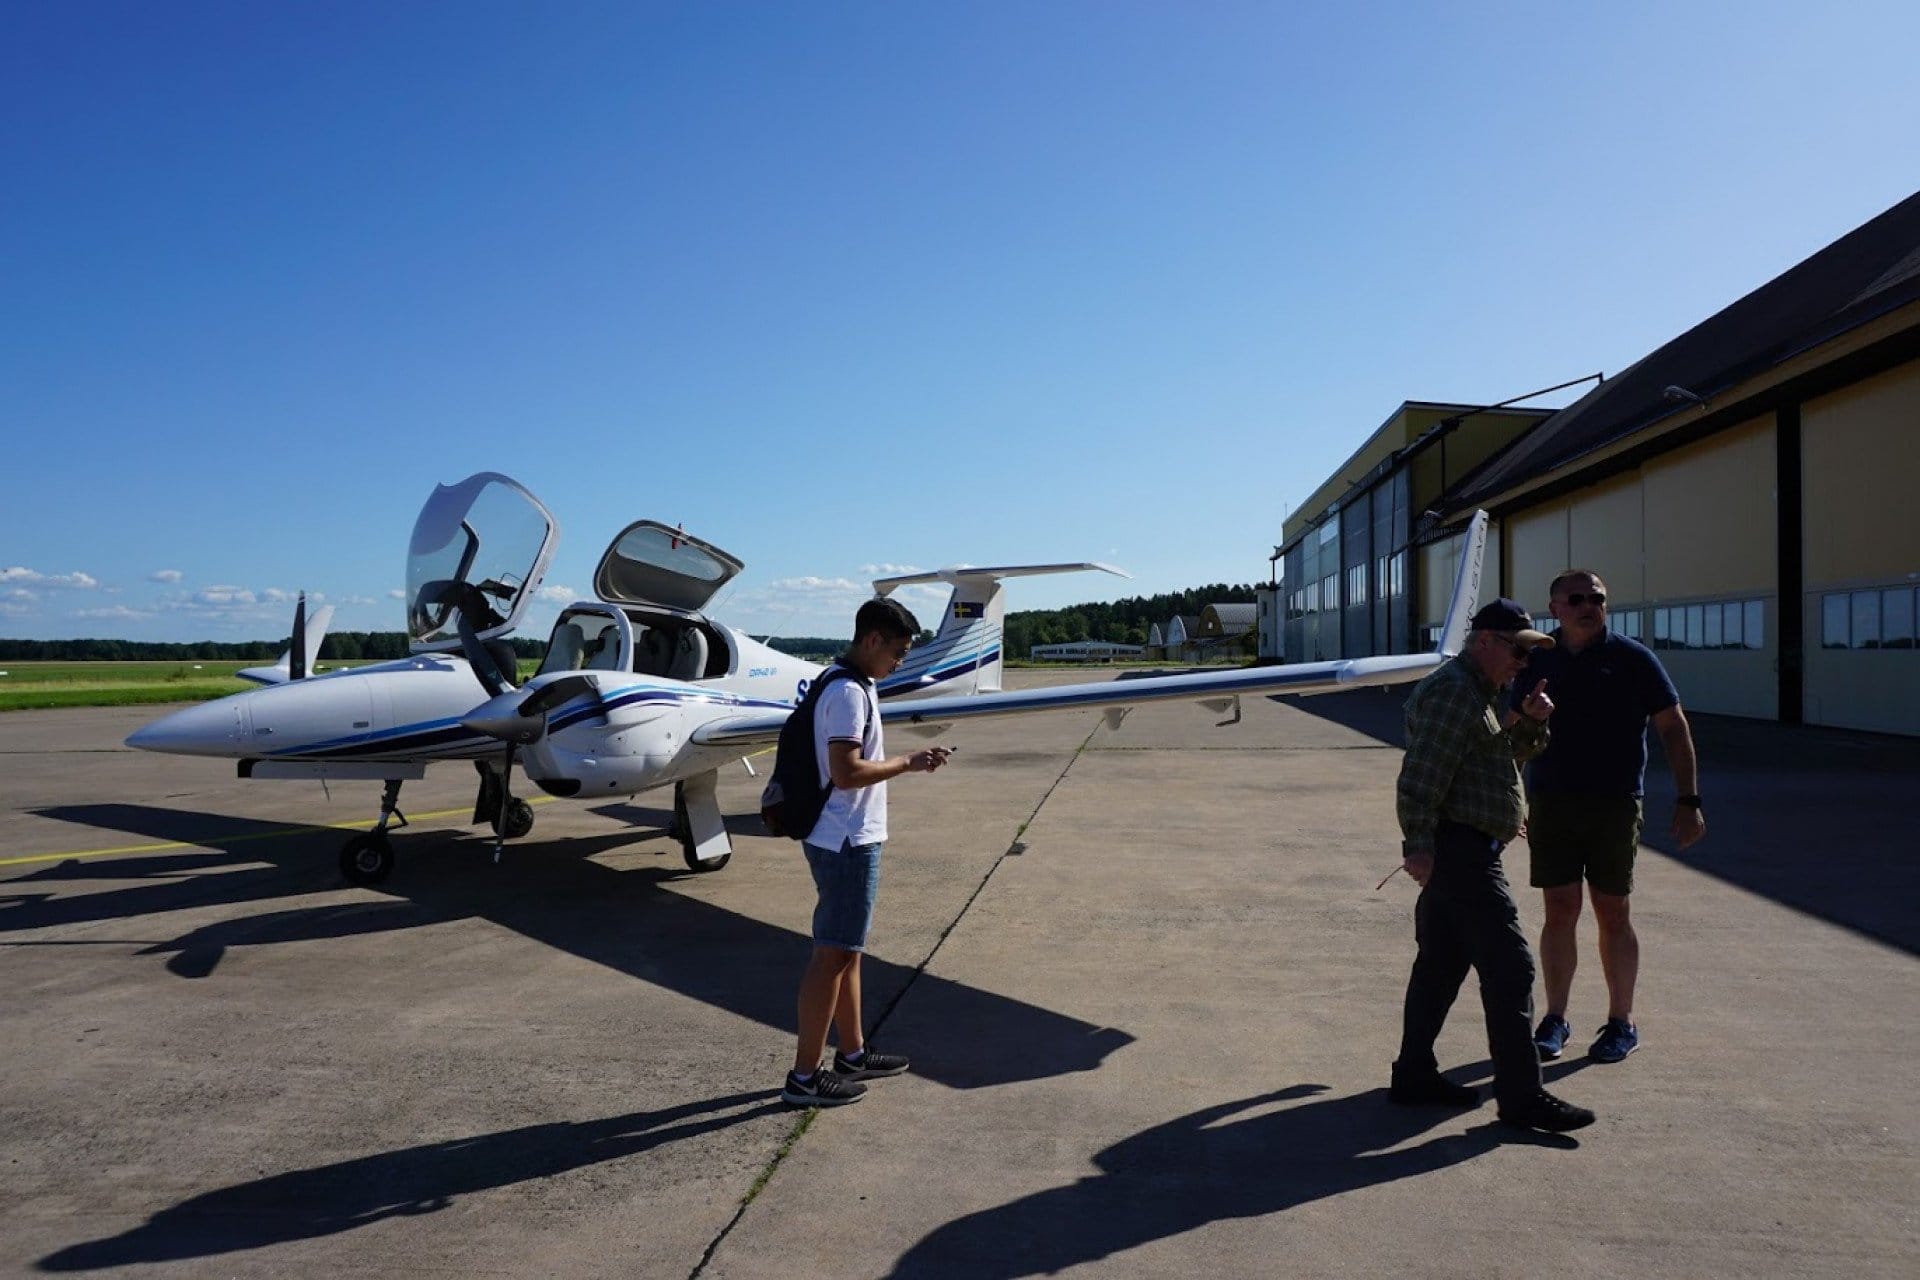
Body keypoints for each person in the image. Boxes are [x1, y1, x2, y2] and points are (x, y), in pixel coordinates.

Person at [1391, 599, 1595, 1133]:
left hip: (1467, 848)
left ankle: (1413, 1074)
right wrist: (1417, 843)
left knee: (1439, 967)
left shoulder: (1479, 694)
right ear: (1484, 640)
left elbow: (1498, 762)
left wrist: (1528, 724)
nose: (1522, 663)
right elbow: (1422, 773)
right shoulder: (1454, 692)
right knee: (1512, 969)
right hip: (1460, 854)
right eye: (1516, 650)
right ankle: (1522, 1097)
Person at [1515, 570, 1705, 1066]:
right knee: (1559, 910)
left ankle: (1622, 1022)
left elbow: (1673, 726)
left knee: (1612, 911)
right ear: (1553, 608)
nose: (1588, 606)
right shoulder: (1536, 658)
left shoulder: (1633, 659)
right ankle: (1555, 1019)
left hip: (1615, 803)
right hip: (1552, 801)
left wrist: (1689, 800)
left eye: (1596, 598)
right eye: (1575, 599)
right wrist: (1512, 794)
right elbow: (1509, 732)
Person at [782, 597, 952, 1107]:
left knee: (847, 953)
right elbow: (846, 772)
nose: (899, 662)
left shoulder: (848, 683)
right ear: (872, 640)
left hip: (842, 835)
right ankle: (804, 1078)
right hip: (846, 839)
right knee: (831, 957)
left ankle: (852, 1053)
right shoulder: (850, 694)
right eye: (897, 652)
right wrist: (907, 762)